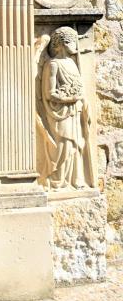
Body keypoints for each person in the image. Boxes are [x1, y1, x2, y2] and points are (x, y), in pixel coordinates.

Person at [38, 26, 90, 190]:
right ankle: (57, 180)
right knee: (63, 145)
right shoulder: (53, 64)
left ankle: (75, 179)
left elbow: (79, 87)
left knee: (75, 145)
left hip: (74, 111)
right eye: (72, 41)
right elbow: (49, 94)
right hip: (60, 112)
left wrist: (80, 99)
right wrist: (71, 98)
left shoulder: (73, 64)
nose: (75, 45)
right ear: (62, 43)